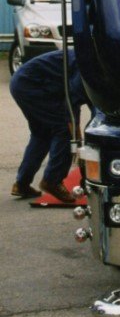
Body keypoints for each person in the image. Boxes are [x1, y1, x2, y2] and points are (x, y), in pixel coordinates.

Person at [9, 49, 86, 204]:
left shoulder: (86, 57)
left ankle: (22, 183)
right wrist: (76, 137)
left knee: (41, 134)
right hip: (32, 85)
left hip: (21, 83)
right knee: (64, 130)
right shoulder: (87, 65)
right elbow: (72, 102)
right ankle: (52, 181)